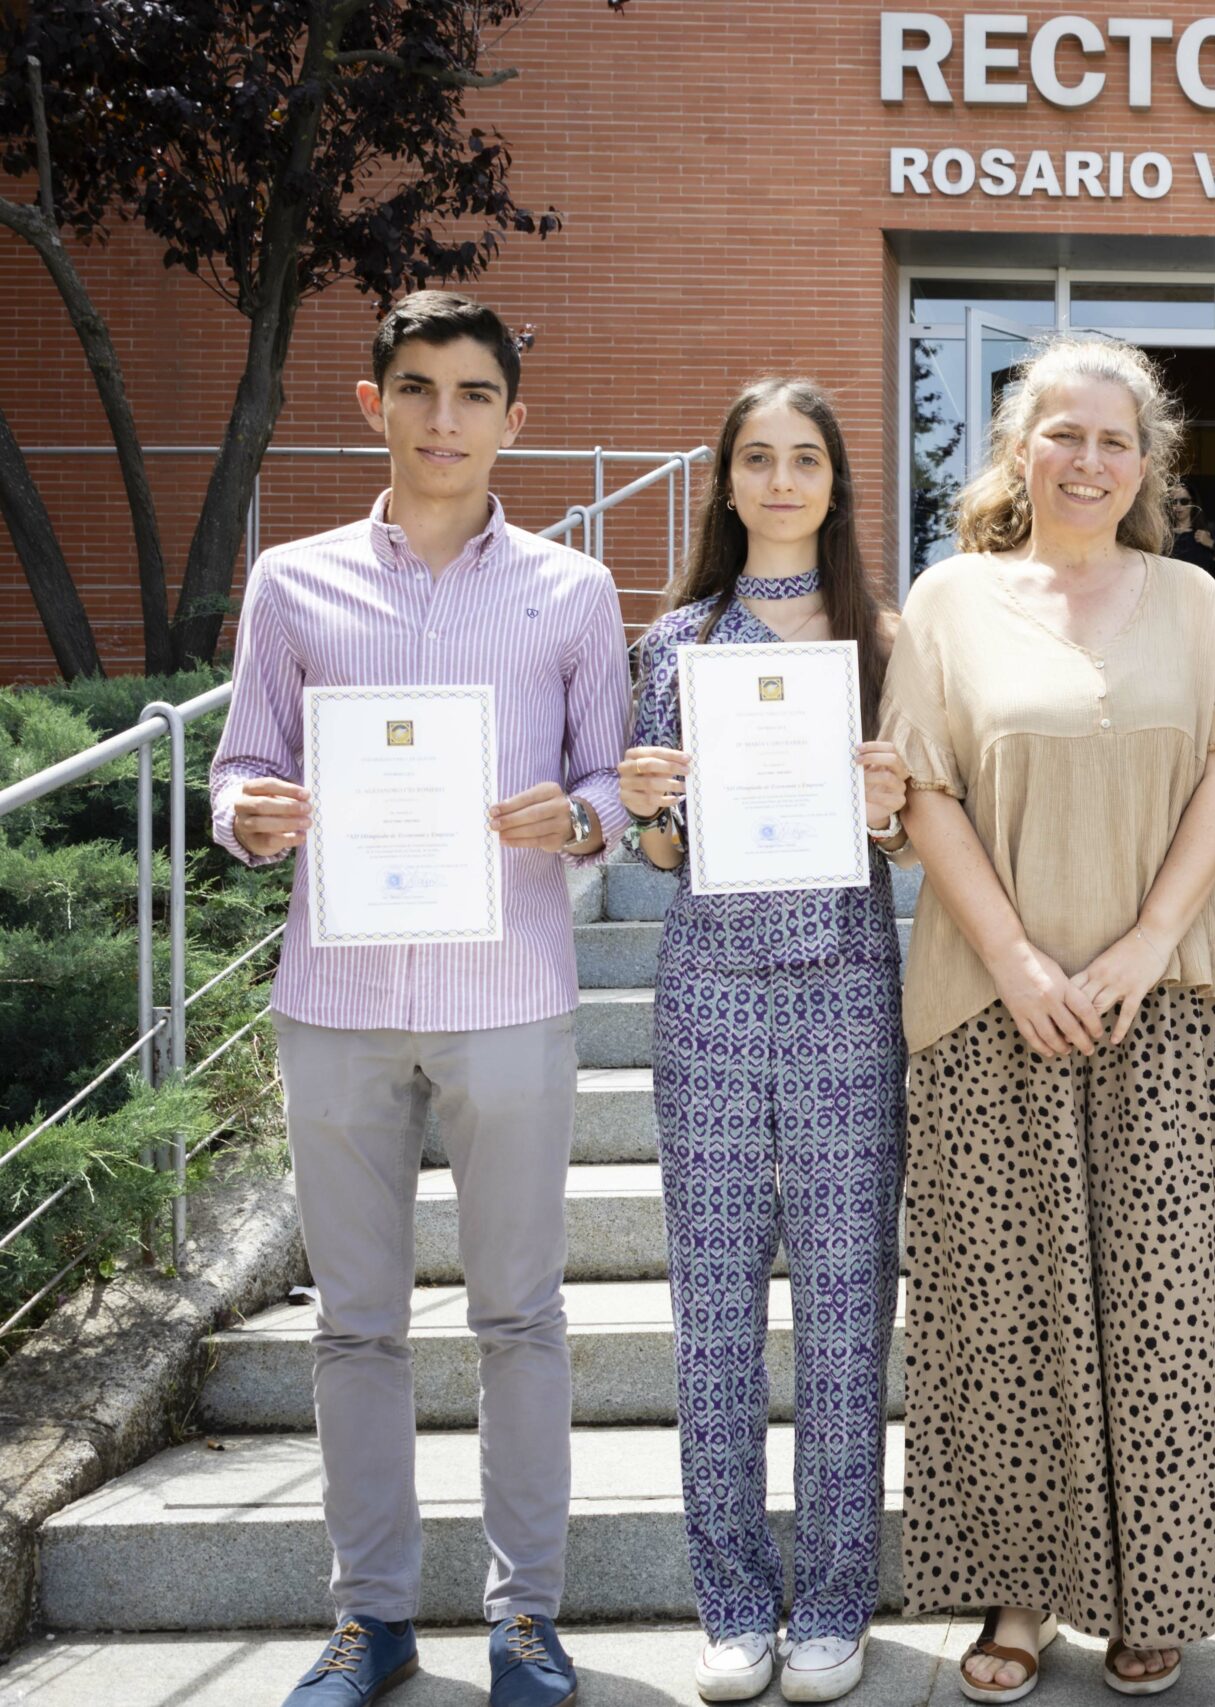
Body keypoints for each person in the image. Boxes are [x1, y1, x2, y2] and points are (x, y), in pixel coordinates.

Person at [211, 291, 628, 1707]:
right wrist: (249, 815)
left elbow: (607, 789)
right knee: (355, 1324)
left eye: (470, 393)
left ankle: (527, 1619)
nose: (443, 417)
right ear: (370, 402)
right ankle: (370, 1615)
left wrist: (567, 821)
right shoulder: (292, 581)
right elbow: (237, 768)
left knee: (519, 1315)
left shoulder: (572, 591)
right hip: (334, 999)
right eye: (416, 388)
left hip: (510, 995)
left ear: (518, 418)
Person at [877, 336, 1215, 1702]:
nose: (1090, 459)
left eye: (1116, 439)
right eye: (1064, 433)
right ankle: (1016, 1590)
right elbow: (924, 790)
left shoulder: (1190, 599)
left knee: (1166, 1312)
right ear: (1020, 448)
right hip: (987, 1003)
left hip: (1159, 1004)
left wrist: (1137, 946)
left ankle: (1154, 1580)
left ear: (1148, 461)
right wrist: (1016, 960)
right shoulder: (948, 601)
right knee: (1004, 1310)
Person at [614, 378, 912, 1703]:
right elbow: (664, 851)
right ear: (727, 483)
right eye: (758, 458)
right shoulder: (675, 639)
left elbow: (907, 838)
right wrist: (648, 805)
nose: (783, 479)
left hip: (848, 989)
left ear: (836, 482)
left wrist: (896, 805)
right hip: (714, 993)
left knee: (849, 1312)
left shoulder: (881, 639)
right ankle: (734, 1602)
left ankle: (837, 1600)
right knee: (716, 1316)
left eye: (806, 458)